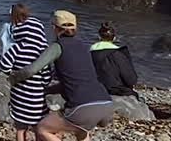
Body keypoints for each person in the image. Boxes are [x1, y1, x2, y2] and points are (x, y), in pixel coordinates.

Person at [10, 10, 114, 141]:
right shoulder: (84, 46)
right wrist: (47, 90)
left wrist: (13, 79)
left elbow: (31, 70)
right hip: (105, 103)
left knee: (42, 128)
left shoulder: (57, 47)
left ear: (54, 28)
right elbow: (77, 80)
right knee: (81, 131)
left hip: (82, 107)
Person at [1, 5, 51, 141]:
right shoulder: (43, 52)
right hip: (37, 99)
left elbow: (4, 66)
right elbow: (46, 78)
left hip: (19, 96)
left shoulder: (17, 47)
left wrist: (12, 74)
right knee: (38, 128)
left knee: (20, 128)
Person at [89, 21, 138, 96]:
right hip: (116, 91)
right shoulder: (118, 53)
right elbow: (131, 80)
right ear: (114, 38)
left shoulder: (89, 52)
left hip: (94, 89)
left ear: (99, 37)